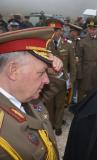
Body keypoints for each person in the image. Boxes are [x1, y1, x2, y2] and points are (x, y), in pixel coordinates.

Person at [0, 27, 63, 159]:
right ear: (13, 71)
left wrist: (54, 71)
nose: (46, 80)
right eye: (41, 73)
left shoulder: (24, 96)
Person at [42, 18, 76, 136]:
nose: (54, 33)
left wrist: (71, 80)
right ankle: (50, 124)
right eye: (52, 30)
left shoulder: (68, 45)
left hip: (62, 79)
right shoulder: (45, 44)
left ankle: (58, 126)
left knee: (60, 103)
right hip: (49, 80)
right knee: (49, 103)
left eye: (56, 30)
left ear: (61, 31)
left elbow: (72, 65)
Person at [77, 17, 97, 102]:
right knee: (81, 92)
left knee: (93, 92)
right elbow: (79, 58)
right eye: (90, 28)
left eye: (94, 29)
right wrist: (79, 73)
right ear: (87, 28)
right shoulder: (82, 41)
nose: (92, 30)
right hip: (85, 70)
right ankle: (79, 110)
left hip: (96, 71)